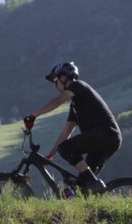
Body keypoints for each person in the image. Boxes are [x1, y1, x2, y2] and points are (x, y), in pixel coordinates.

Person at [24, 61, 120, 194]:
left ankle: (93, 183)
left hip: (105, 134)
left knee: (65, 147)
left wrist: (33, 115)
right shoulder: (76, 105)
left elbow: (57, 101)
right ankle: (96, 198)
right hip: (108, 139)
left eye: (55, 81)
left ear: (64, 78)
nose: (55, 86)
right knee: (83, 186)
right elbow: (66, 132)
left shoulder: (78, 86)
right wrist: (50, 155)